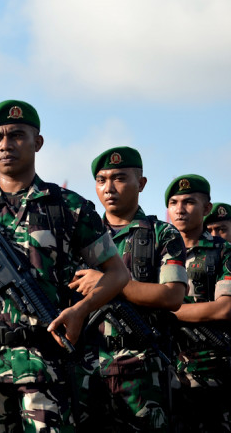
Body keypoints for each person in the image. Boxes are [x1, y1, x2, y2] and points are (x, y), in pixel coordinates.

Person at [0, 100, 129, 432]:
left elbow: (117, 274)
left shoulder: (68, 207)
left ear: (37, 142)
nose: (6, 144)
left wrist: (82, 310)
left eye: (16, 135)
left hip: (45, 361)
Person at [76, 146, 187, 432]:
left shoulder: (162, 234)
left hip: (142, 371)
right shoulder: (80, 235)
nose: (109, 188)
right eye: (101, 180)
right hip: (85, 367)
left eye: (120, 178)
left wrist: (108, 285)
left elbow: (173, 295)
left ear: (141, 183)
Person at [166, 175, 231, 432]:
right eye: (174, 202)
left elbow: (224, 308)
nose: (180, 209)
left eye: (189, 202)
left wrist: (167, 309)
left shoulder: (224, 252)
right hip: (166, 371)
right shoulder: (159, 250)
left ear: (206, 208)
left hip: (213, 373)